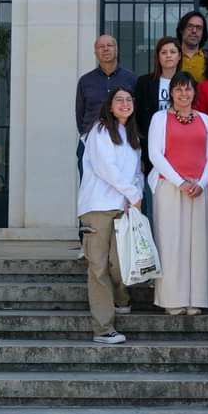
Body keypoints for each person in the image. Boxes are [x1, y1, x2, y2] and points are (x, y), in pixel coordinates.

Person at [76, 86, 143, 345]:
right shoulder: (100, 130)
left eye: (128, 99)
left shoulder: (132, 135)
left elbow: (137, 172)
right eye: (119, 100)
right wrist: (133, 194)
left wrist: (135, 196)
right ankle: (103, 329)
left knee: (120, 263)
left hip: (124, 208)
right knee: (99, 267)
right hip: (98, 208)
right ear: (110, 105)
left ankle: (122, 298)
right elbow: (107, 169)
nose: (125, 103)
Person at [147, 72, 208, 316]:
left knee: (199, 243)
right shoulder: (159, 118)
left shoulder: (205, 120)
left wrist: (203, 182)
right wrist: (180, 183)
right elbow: (155, 154)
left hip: (200, 188)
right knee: (171, 242)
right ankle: (171, 299)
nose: (183, 94)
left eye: (188, 89)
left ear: (194, 92)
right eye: (178, 89)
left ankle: (196, 298)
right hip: (170, 187)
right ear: (171, 93)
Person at [75, 34, 138, 178]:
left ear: (117, 49)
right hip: (91, 143)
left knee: (125, 185)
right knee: (91, 187)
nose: (105, 49)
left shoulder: (131, 79)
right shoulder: (85, 81)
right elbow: (80, 113)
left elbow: (136, 111)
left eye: (109, 45)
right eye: (100, 46)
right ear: (95, 52)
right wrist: (88, 134)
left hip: (124, 141)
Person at [135, 37, 183, 171]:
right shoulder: (144, 82)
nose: (168, 55)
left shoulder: (189, 82)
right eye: (164, 52)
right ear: (158, 56)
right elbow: (138, 118)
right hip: (152, 144)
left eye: (172, 52)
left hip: (180, 143)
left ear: (179, 56)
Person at [176, 11, 208, 81]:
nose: (194, 31)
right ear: (181, 30)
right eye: (190, 26)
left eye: (199, 28)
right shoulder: (172, 57)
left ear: (203, 33)